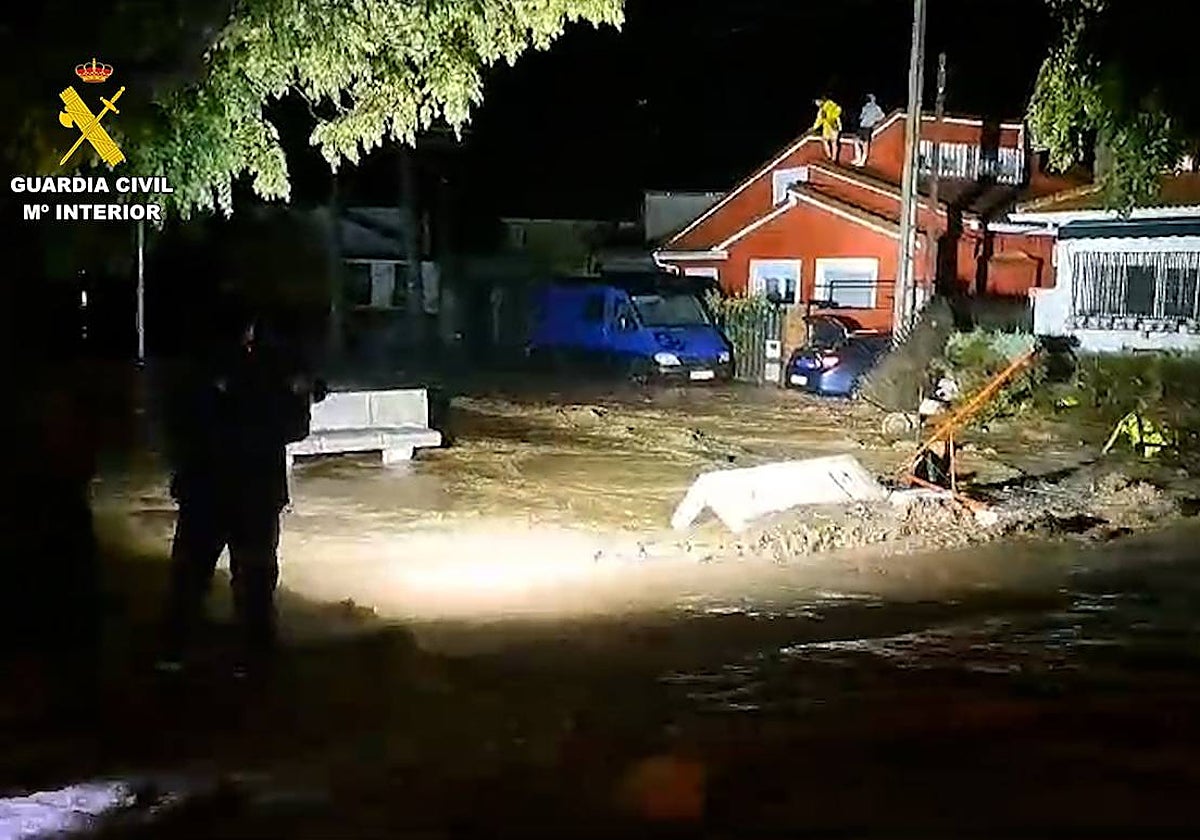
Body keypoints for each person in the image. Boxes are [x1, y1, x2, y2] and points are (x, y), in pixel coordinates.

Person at [158, 294, 319, 677]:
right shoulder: (266, 372)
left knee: (190, 575)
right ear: (248, 331)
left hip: (203, 488)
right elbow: (294, 427)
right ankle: (253, 658)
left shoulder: (192, 373)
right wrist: (297, 396)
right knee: (254, 578)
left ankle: (174, 652)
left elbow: (174, 429)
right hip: (255, 491)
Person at [853, 94, 885, 166]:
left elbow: (882, 116)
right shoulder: (867, 107)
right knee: (857, 141)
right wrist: (874, 120)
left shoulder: (875, 108)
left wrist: (874, 120)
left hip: (866, 127)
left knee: (864, 144)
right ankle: (859, 158)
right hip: (864, 126)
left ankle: (862, 161)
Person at [811, 96, 843, 160]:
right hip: (826, 128)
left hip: (834, 126)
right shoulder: (821, 109)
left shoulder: (831, 105)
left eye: (817, 102)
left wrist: (828, 116)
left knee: (834, 142)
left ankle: (834, 158)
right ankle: (829, 156)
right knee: (825, 140)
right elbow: (819, 120)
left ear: (821, 100)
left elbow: (838, 112)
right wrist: (814, 128)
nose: (817, 104)